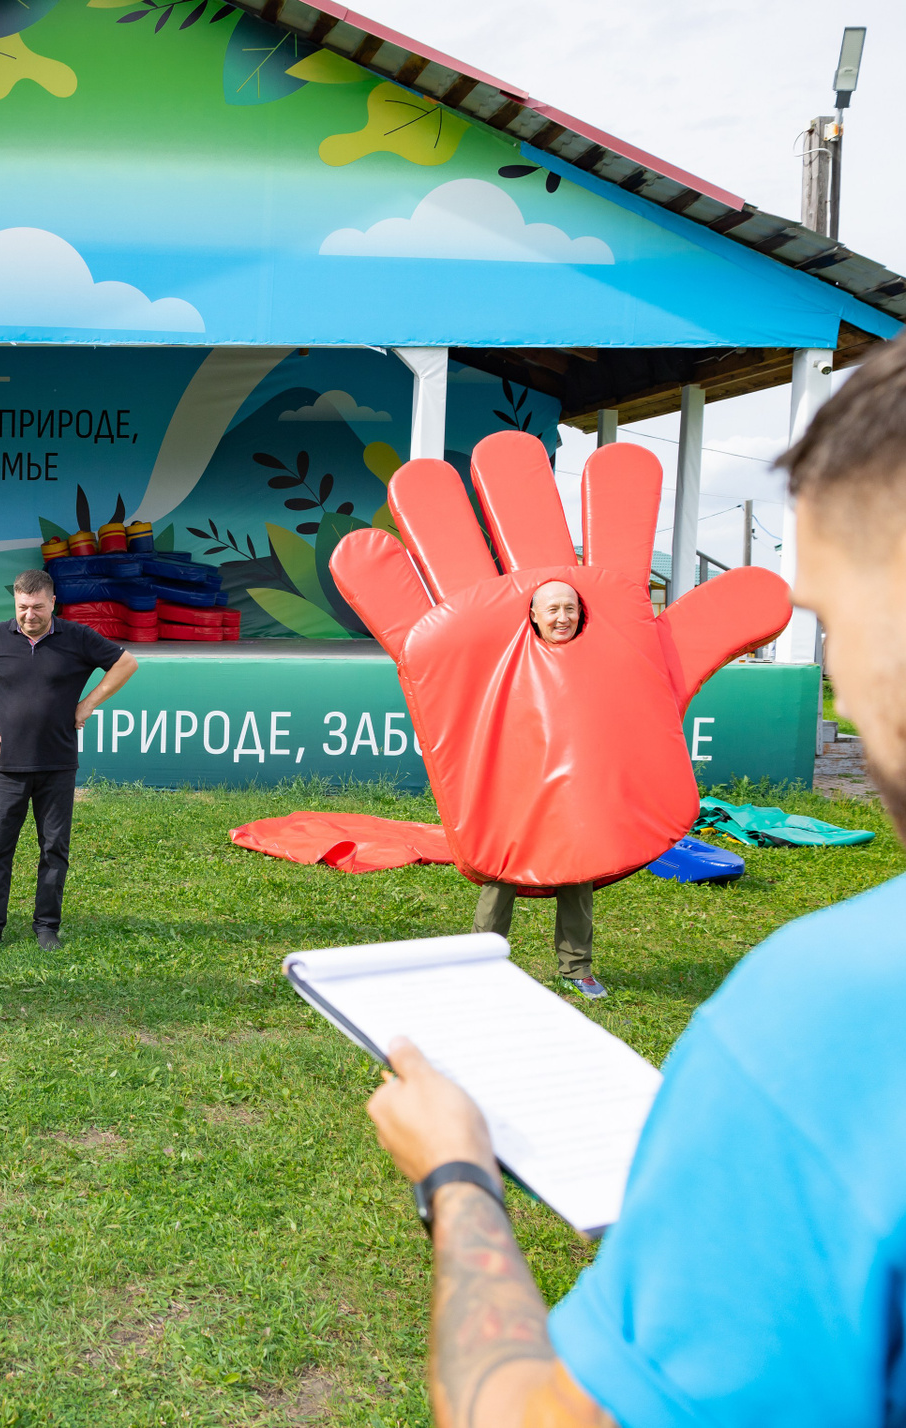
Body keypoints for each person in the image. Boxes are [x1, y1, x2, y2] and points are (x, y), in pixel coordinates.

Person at [365, 334, 906, 1428]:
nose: (842, 695)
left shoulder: (838, 1022)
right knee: (503, 889)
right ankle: (496, 956)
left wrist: (456, 1178)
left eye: (842, 625)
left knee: (570, 894)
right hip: (514, 821)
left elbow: (527, 1413)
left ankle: (563, 965)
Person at [0, 569, 138, 952]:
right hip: (7, 766)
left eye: (37, 607)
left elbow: (126, 663)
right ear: (15, 603)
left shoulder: (77, 636)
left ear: (53, 602)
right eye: (22, 607)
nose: (29, 614)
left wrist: (88, 703)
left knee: (54, 849)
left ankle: (47, 927)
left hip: (57, 765)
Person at [471, 580, 605, 999]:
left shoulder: (596, 659)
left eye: (570, 608)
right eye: (553, 609)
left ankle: (576, 967)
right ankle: (479, 965)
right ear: (533, 615)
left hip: (575, 789)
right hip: (520, 789)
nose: (563, 617)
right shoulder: (512, 659)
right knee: (501, 875)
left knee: (577, 877)